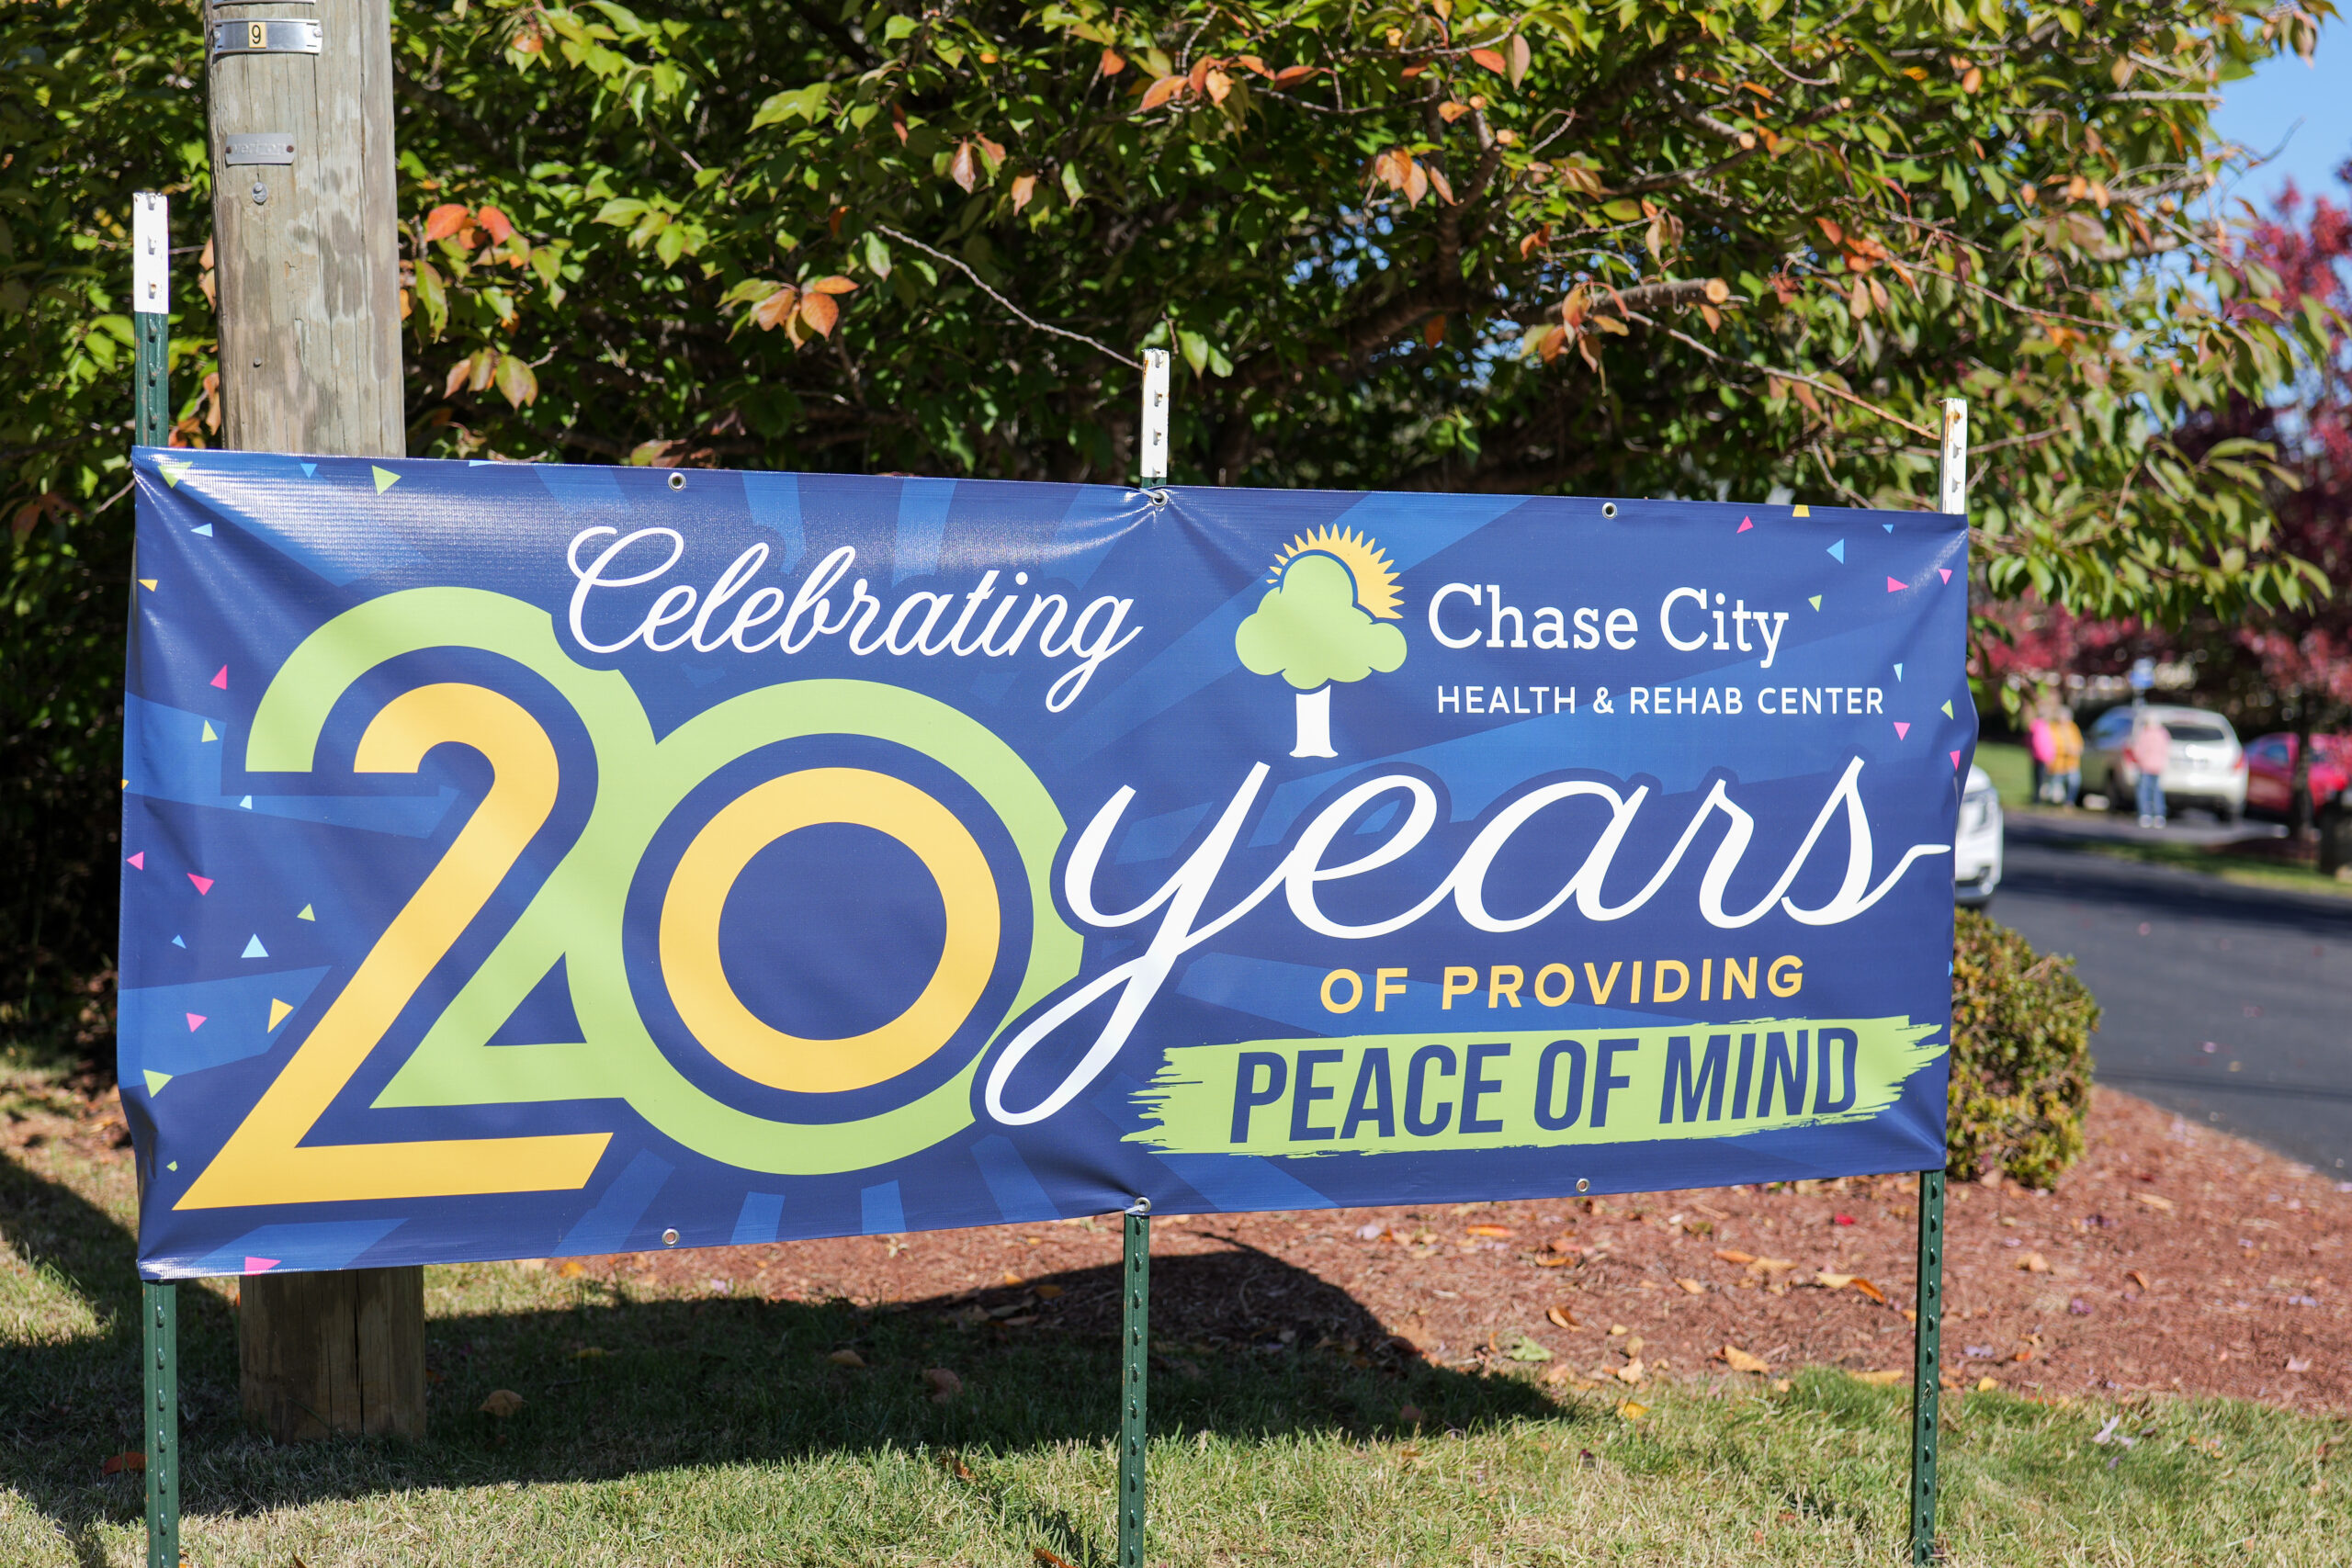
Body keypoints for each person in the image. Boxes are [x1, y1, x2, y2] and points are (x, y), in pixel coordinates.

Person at [2128, 708, 2169, 828]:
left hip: (2145, 765)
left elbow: (2138, 749)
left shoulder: (2144, 733)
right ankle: (2159, 815)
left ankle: (2145, 814)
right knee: (2156, 791)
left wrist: (2138, 760)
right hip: (2158, 766)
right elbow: (2166, 749)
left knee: (2144, 791)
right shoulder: (2163, 733)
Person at [2047, 705, 2082, 807]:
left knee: (2074, 782)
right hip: (2058, 763)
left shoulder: (2073, 728)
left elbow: (2079, 743)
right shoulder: (2053, 728)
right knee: (2055, 784)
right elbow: (2051, 744)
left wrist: (2076, 749)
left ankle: (2069, 802)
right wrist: (2065, 749)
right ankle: (2052, 802)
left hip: (2072, 763)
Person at [2027, 696, 2055, 804]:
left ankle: (2037, 797)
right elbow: (2038, 742)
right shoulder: (2039, 726)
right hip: (2040, 756)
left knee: (2039, 778)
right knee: (2039, 778)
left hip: (2041, 755)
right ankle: (2037, 798)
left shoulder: (2042, 726)